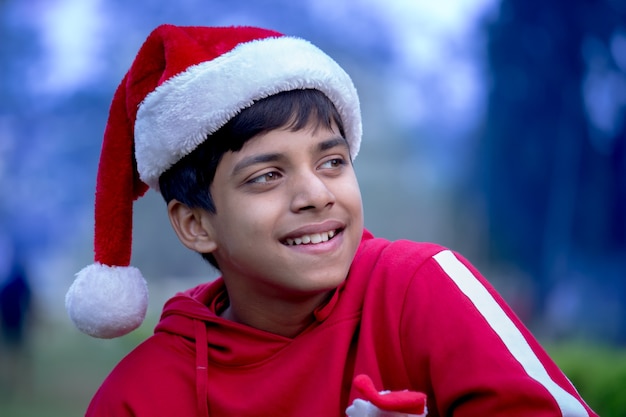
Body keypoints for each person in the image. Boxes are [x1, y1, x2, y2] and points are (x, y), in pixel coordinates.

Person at [65, 24, 598, 417]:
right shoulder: (140, 396)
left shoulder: (422, 287)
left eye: (332, 162)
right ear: (195, 224)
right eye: (266, 176)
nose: (316, 195)